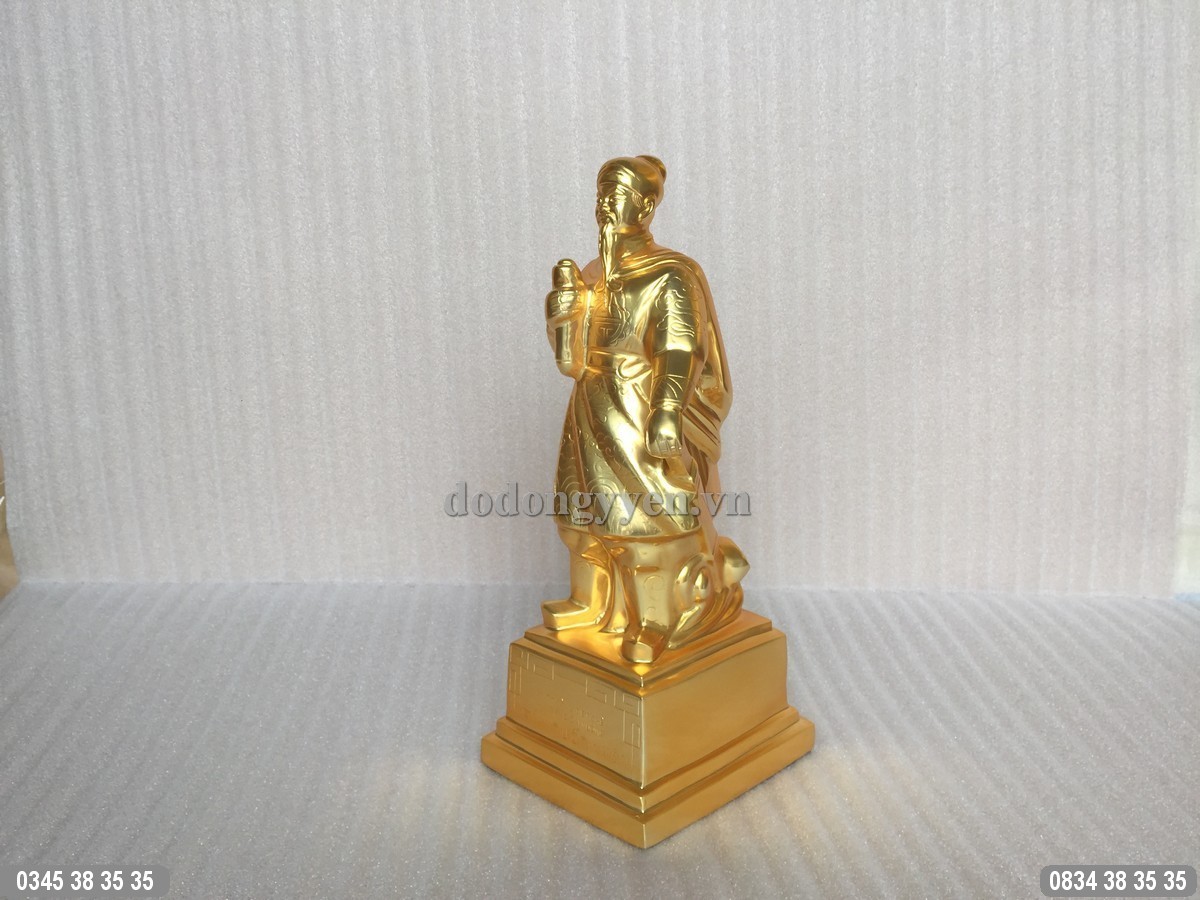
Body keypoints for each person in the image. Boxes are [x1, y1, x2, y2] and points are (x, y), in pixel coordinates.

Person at [541, 155, 748, 664]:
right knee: (580, 511)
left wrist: (667, 412)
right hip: (590, 405)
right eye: (601, 193)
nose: (605, 203)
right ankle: (591, 602)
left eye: (617, 193)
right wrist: (563, 315)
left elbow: (680, 347)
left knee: (645, 520)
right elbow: (571, 362)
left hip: (637, 406)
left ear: (647, 204)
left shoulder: (670, 273)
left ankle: (655, 619)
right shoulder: (592, 274)